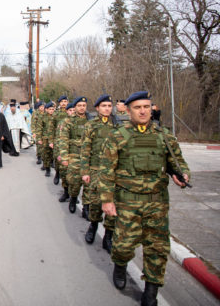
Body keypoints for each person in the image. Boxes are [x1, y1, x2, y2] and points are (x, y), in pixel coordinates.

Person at [99, 91, 190, 306]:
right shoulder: (118, 136)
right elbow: (106, 170)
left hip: (157, 203)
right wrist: (107, 199)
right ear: (129, 111)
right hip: (128, 202)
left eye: (146, 107)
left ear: (151, 109)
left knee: (157, 249)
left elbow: (177, 162)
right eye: (138, 107)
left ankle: (151, 291)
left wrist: (182, 174)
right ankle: (120, 266)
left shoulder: (164, 135)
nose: (143, 111)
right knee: (123, 246)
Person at [79, 94, 117, 251]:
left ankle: (108, 236)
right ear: (97, 108)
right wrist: (85, 171)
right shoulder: (91, 125)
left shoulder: (117, 125)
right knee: (95, 203)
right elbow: (85, 149)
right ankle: (93, 226)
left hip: (113, 172)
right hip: (96, 170)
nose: (107, 109)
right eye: (104, 106)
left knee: (113, 205)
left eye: (109, 106)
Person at [59, 96, 90, 214]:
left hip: (88, 156)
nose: (82, 108)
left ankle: (86, 207)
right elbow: (63, 139)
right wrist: (64, 157)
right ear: (75, 107)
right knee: (75, 182)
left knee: (88, 184)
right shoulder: (68, 121)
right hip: (74, 155)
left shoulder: (91, 121)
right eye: (79, 106)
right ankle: (73, 198)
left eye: (84, 106)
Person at [55, 99, 75, 197]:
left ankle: (73, 195)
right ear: (67, 111)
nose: (72, 112)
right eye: (70, 110)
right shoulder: (62, 123)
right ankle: (66, 192)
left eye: (74, 110)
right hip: (65, 151)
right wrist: (60, 153)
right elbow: (59, 138)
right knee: (64, 173)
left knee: (75, 177)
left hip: (77, 153)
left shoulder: (82, 122)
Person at [36, 102, 55, 176]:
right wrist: (39, 138)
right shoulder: (42, 117)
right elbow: (39, 128)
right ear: (46, 109)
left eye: (53, 109)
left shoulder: (56, 117)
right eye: (50, 109)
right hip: (45, 139)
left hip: (54, 138)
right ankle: (47, 169)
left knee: (53, 154)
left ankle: (52, 163)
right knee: (45, 154)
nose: (51, 111)